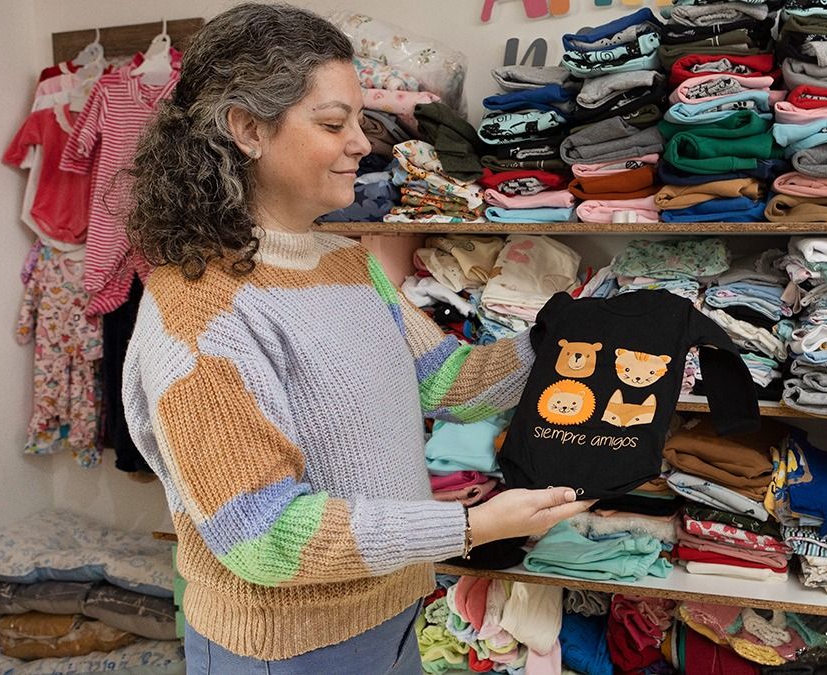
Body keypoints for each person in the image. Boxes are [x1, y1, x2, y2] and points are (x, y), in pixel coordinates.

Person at [123, 4, 590, 673]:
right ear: (247, 128)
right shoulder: (196, 312)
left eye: (359, 121)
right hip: (286, 649)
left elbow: (446, 379)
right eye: (333, 122)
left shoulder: (346, 260)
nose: (363, 144)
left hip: (397, 612)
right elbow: (263, 532)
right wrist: (470, 526)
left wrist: (559, 336)